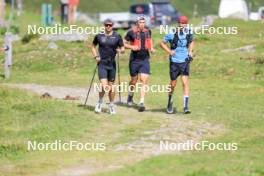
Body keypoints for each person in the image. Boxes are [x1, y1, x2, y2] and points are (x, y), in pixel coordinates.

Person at [160, 16, 194, 114]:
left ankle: (186, 106)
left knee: (185, 83)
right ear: (178, 23)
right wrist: (169, 51)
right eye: (181, 23)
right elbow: (162, 44)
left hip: (185, 61)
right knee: (173, 84)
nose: (182, 25)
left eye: (184, 23)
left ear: (186, 24)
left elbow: (191, 42)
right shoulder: (172, 33)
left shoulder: (189, 32)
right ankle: (169, 102)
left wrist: (190, 52)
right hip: (174, 62)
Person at [91, 19, 125, 115]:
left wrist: (121, 51)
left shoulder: (117, 36)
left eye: (110, 25)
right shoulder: (99, 36)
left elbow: (123, 48)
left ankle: (111, 105)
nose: (108, 27)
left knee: (111, 87)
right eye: (106, 25)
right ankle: (99, 102)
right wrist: (96, 56)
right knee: (104, 85)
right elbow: (93, 46)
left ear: (113, 26)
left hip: (112, 64)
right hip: (102, 63)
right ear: (104, 25)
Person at [124, 16, 155, 112]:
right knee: (134, 81)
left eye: (143, 22)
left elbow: (149, 41)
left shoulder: (148, 31)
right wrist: (131, 47)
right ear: (137, 23)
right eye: (140, 22)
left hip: (145, 59)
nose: (142, 24)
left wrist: (152, 48)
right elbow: (123, 43)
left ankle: (141, 103)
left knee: (143, 80)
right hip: (134, 60)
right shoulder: (131, 32)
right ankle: (130, 96)